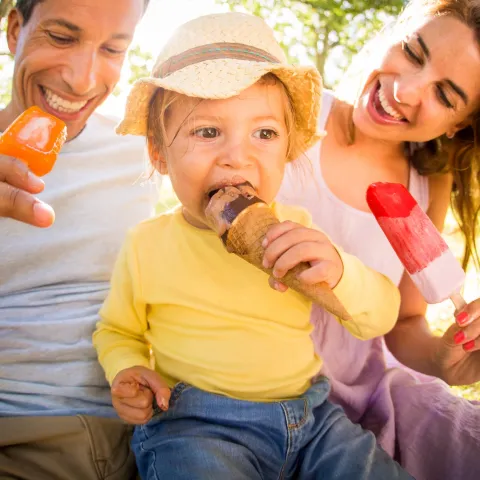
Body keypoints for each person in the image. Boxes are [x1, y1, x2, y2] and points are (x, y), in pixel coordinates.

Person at [92, 12, 414, 479]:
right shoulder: (147, 245)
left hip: (312, 421)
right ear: (160, 153)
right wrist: (128, 369)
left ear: (286, 150)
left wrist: (340, 271)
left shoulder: (298, 230)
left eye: (264, 133)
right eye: (207, 131)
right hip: (197, 424)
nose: (237, 156)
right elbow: (116, 331)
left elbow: (379, 316)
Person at [277, 0, 480, 479]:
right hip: (261, 376)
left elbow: (405, 321)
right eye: (412, 52)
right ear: (392, 32)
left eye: (445, 95)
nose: (406, 90)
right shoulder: (286, 110)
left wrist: (442, 359)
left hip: (365, 389)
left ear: (459, 126)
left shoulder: (427, 183)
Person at [0, 1, 152, 479]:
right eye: (62, 38)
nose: (83, 80)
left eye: (112, 49)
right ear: (15, 29)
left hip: (106, 431)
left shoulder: (144, 151)